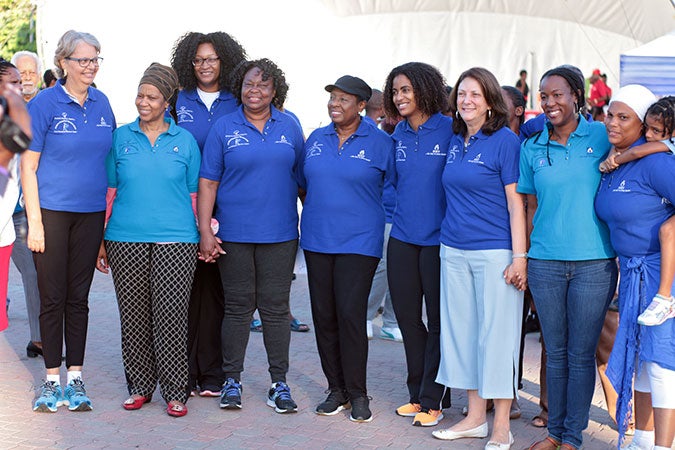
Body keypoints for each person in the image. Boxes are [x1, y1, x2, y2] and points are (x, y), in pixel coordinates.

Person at [518, 66, 618, 450]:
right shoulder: (532, 147)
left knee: (580, 354)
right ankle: (554, 433)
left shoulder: (600, 134)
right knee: (555, 353)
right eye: (543, 96)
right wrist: (525, 257)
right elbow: (529, 207)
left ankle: (572, 437)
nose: (549, 102)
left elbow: (641, 142)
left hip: (594, 264)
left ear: (577, 95)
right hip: (544, 263)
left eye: (557, 94)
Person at [199, 58, 304, 414]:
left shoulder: (290, 126)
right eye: (248, 84)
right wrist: (205, 233)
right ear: (238, 88)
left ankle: (279, 383)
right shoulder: (225, 127)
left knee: (276, 310)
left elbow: (303, 181)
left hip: (280, 234)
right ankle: (232, 380)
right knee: (238, 309)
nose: (254, 91)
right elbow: (208, 182)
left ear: (276, 90)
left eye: (263, 85)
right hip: (235, 235)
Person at [95, 62, 199, 418]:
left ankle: (175, 391)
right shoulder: (121, 138)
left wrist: (203, 236)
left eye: (152, 96)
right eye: (140, 94)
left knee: (170, 316)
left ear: (166, 101)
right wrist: (101, 240)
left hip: (177, 241)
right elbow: (109, 191)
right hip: (124, 238)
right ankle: (139, 387)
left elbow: (195, 195)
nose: (143, 101)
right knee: (134, 317)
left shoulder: (184, 141)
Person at [431, 67, 526, 449]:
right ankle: (474, 418)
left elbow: (516, 205)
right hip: (452, 249)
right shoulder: (457, 140)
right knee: (463, 336)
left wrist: (520, 257)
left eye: (474, 94)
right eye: (461, 94)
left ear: (490, 101)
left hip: (494, 252)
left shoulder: (505, 142)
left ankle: (501, 423)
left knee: (497, 338)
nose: (466, 100)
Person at [23, 30, 115, 413]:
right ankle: (49, 381)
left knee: (79, 299)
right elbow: (28, 167)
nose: (91, 66)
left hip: (90, 215)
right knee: (53, 297)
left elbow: (109, 167)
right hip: (53, 215)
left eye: (96, 59)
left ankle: (74, 377)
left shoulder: (103, 103)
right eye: (84, 59)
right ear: (64, 62)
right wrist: (36, 223)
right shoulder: (44, 104)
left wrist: (105, 232)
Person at [300, 75, 394, 423]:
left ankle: (357, 392)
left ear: (361, 106)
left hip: (359, 242)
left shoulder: (381, 142)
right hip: (316, 239)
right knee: (324, 316)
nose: (335, 105)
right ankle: (335, 388)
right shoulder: (315, 139)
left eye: (343, 99)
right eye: (332, 99)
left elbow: (397, 185)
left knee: (350, 315)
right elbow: (303, 185)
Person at [595, 85, 675, 450]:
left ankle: (664, 445)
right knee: (641, 359)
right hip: (631, 275)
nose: (612, 122)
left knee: (661, 362)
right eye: (610, 114)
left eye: (623, 117)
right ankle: (642, 440)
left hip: (663, 276)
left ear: (643, 125)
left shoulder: (657, 163)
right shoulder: (614, 163)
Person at [170, 30, 247, 398]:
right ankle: (180, 371)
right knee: (183, 292)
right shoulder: (176, 99)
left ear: (225, 61)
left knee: (217, 294)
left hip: (227, 207)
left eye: (212, 58)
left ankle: (213, 373)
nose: (205, 65)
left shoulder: (239, 99)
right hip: (181, 207)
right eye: (199, 59)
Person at [379, 62, 452, 427]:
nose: (400, 97)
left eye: (406, 89)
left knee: (438, 323)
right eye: (395, 91)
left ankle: (433, 399)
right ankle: (417, 393)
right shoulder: (397, 137)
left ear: (424, 89)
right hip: (403, 239)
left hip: (441, 242)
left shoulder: (450, 129)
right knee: (408, 320)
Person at [600, 96, 675, 328]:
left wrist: (615, 160)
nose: (651, 135)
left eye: (657, 131)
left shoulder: (659, 157)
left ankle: (665, 297)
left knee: (667, 230)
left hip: (654, 268)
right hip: (633, 273)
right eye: (610, 116)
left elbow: (635, 153)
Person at [0, 59, 42, 354]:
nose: (20, 85)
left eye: (22, 80)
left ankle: (39, 338)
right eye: (13, 81)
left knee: (33, 272)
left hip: (12, 222)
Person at [363, 88, 400, 342]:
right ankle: (364, 316)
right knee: (385, 267)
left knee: (398, 269)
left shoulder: (395, 133)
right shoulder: (373, 133)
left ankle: (391, 321)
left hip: (400, 214)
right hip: (385, 212)